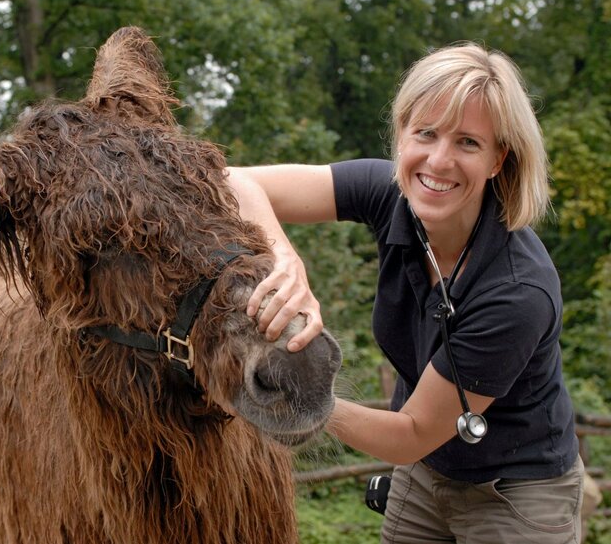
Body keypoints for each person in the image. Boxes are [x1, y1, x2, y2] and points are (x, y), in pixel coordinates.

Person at [226, 42, 584, 543]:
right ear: (401, 135)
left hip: (515, 490)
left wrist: (301, 393)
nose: (438, 161)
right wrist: (285, 258)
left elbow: (410, 433)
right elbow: (231, 181)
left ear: (499, 159)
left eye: (468, 143)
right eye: (426, 133)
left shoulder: (518, 292)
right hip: (426, 471)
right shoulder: (388, 194)